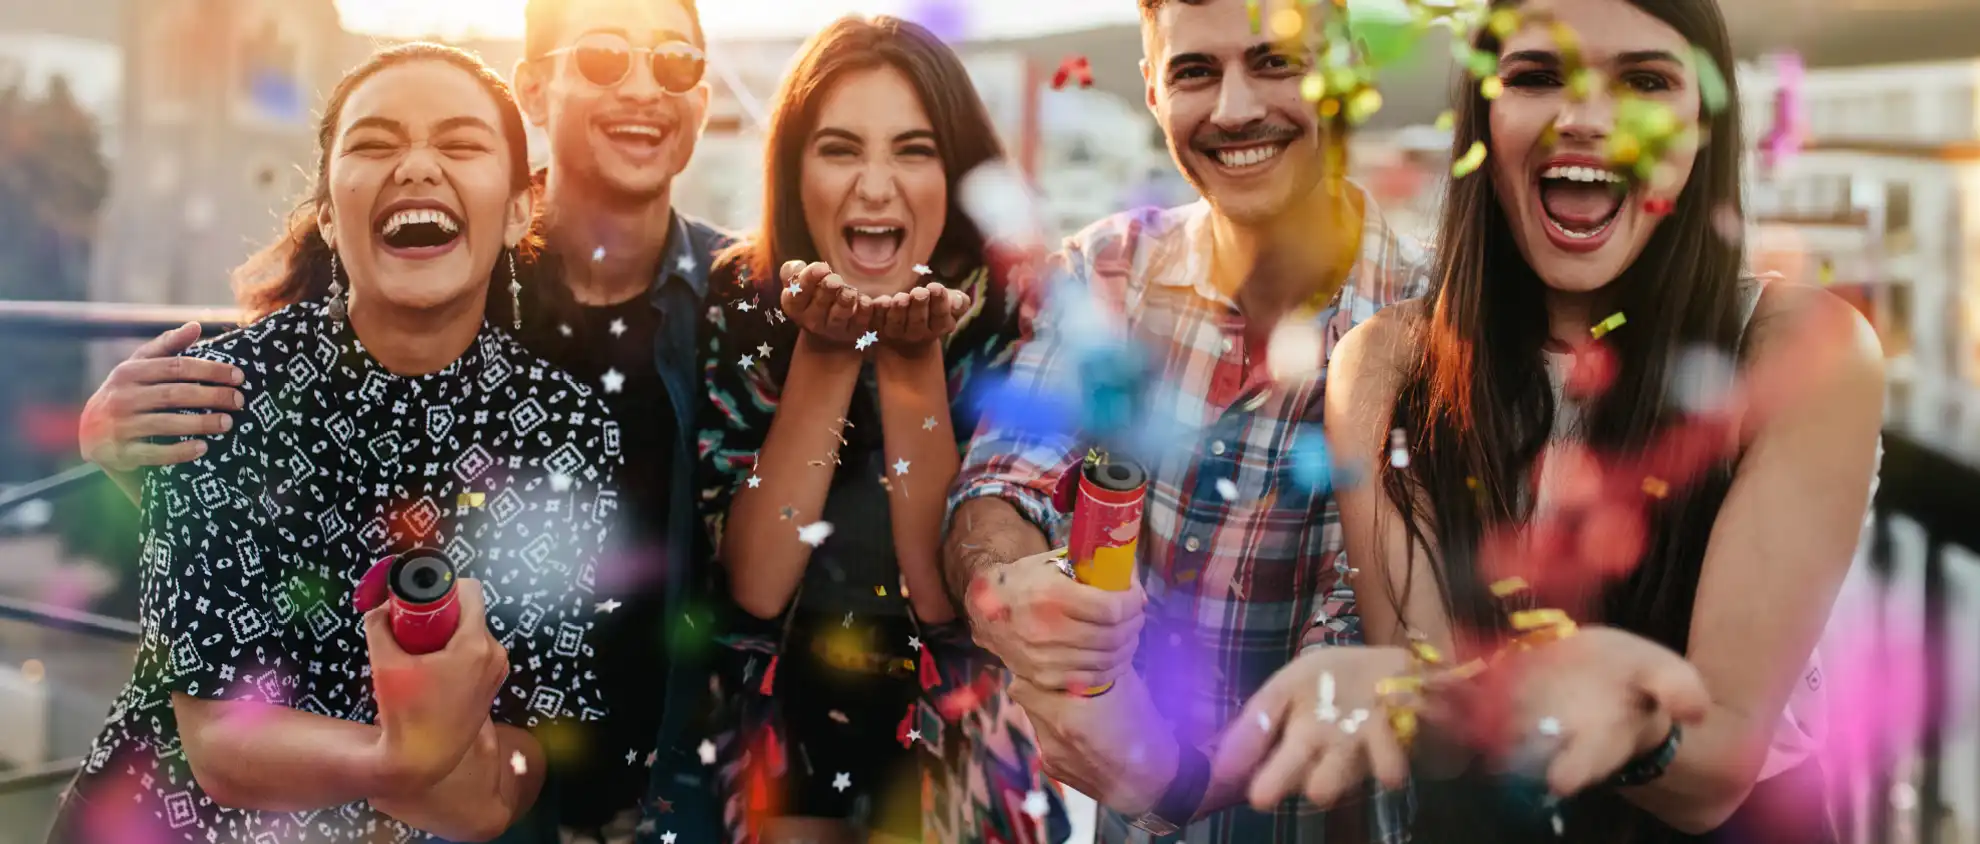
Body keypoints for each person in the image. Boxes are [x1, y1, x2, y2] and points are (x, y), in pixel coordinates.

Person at [77, 1, 733, 839]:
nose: (418, 167)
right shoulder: (222, 389)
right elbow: (221, 748)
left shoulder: (568, 427)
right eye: (376, 143)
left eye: (460, 144)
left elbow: (502, 786)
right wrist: (410, 759)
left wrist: (445, 768)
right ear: (324, 211)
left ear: (519, 211)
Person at [1295, 0, 1882, 841]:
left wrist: (1635, 721)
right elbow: (1437, 730)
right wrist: (1353, 688)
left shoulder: (1805, 352)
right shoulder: (1384, 365)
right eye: (1537, 77)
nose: (1585, 120)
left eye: (1645, 80)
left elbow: (1714, 772)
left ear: (1701, 130)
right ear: (1482, 118)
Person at [938, 0, 1436, 840]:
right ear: (1151, 90)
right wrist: (1018, 589)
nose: (1235, 109)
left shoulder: (1433, 316)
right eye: (1195, 71)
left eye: (1274, 62)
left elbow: (1375, 618)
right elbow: (1003, 483)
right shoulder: (1108, 270)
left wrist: (1178, 779)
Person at [679, 15, 1068, 844]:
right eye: (841, 148)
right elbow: (754, 583)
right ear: (795, 167)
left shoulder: (1017, 306)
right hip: (781, 722)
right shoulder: (743, 298)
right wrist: (823, 351)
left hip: (963, 728)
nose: (876, 185)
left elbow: (944, 600)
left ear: (958, 169)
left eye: (914, 150)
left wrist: (908, 358)